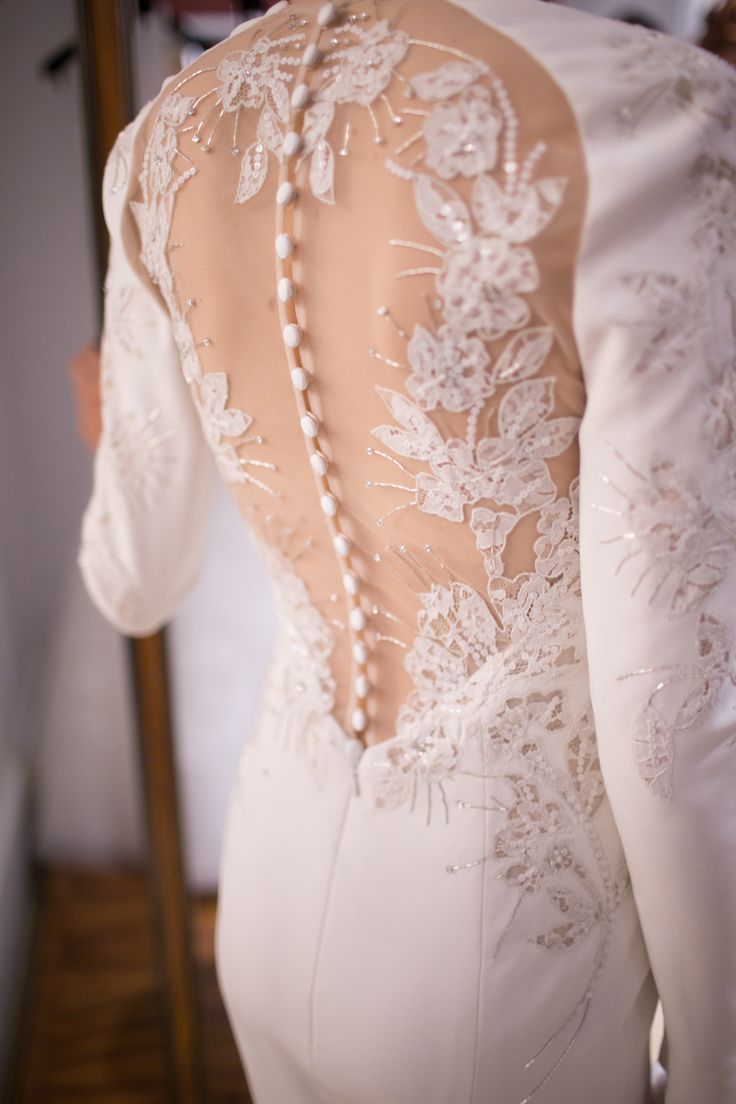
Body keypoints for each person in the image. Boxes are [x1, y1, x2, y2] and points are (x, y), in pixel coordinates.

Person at [72, 1, 736, 1101]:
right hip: (508, 955)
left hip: (271, 879)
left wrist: (111, 432)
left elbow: (131, 581)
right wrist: (718, 1055)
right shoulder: (654, 116)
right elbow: (675, 713)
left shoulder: (161, 140)